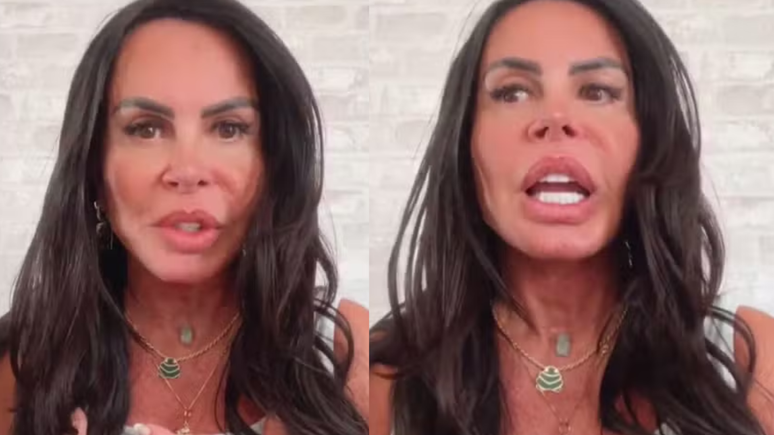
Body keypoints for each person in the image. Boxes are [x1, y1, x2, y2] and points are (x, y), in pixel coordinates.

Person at [370, 0, 774, 434]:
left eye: (598, 91)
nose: (555, 119)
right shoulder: (384, 376)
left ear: (650, 139)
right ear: (465, 140)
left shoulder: (749, 364)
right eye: (512, 92)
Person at [0, 0, 368, 434]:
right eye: (146, 128)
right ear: (94, 165)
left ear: (273, 164)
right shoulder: (20, 364)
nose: (188, 170)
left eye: (229, 128)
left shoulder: (349, 354)